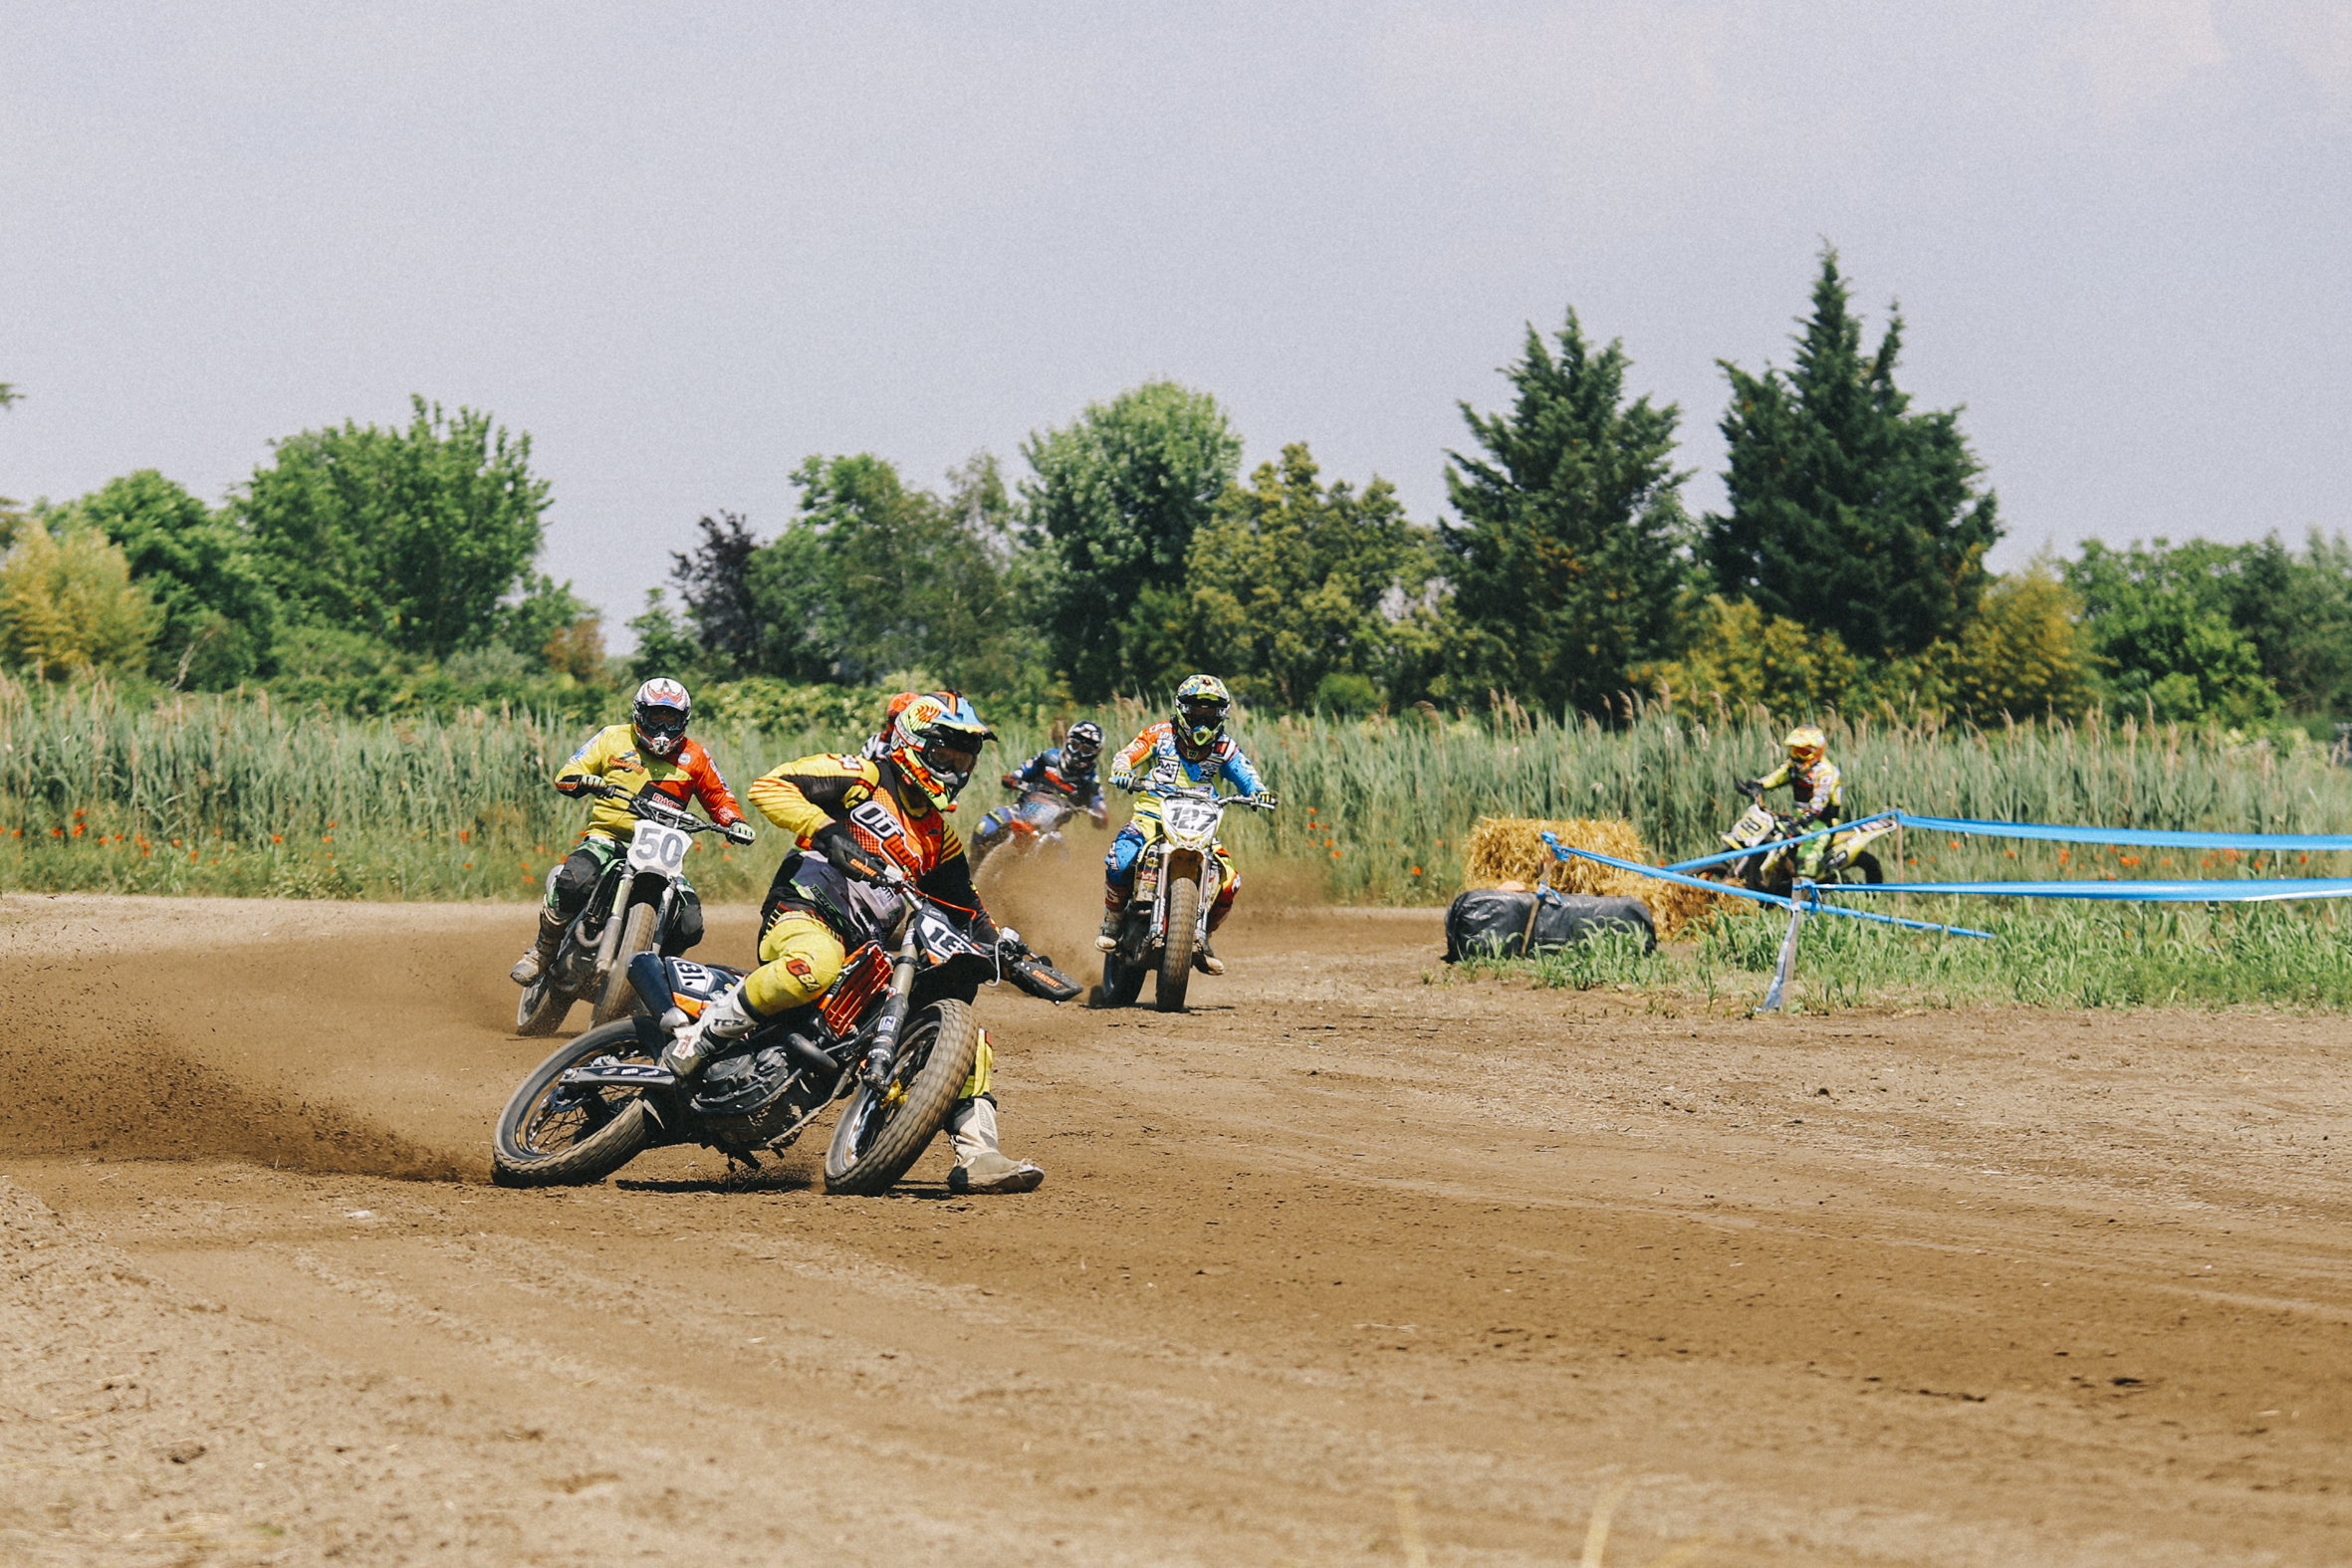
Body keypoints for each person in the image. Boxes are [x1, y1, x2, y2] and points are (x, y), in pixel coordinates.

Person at [663, 692, 1046, 1196]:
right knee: (814, 965)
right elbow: (769, 786)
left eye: (965, 756)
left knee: (965, 1038)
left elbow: (967, 911)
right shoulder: (863, 776)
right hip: (804, 911)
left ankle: (979, 1154)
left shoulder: (939, 838)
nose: (955, 767)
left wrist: (1011, 954)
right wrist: (825, 831)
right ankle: (702, 1037)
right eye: (946, 752)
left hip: (866, 951)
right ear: (914, 743)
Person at [511, 677, 754, 986]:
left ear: (684, 721)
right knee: (573, 881)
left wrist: (734, 822)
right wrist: (584, 780)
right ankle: (542, 951)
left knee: (690, 923)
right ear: (640, 715)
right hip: (608, 839)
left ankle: (651, 980)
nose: (663, 727)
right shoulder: (612, 738)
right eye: (656, 717)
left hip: (662, 854)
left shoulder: (696, 757)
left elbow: (720, 797)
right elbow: (569, 772)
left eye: (671, 719)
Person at [1098, 675, 1273, 976]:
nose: (1203, 722)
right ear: (1182, 710)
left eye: (1211, 714)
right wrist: (1123, 770)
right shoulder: (1159, 734)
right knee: (1120, 861)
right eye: (1196, 713)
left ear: (1222, 715)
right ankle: (1112, 923)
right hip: (1151, 817)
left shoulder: (1225, 748)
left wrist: (1257, 791)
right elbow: (1128, 754)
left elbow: (1247, 774)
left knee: (1230, 882)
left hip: (1200, 824)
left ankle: (1201, 938)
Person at [975, 720, 1108, 848]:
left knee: (1062, 858)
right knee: (985, 826)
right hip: (1020, 811)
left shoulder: (1091, 781)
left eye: (1085, 749)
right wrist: (1012, 780)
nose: (1078, 752)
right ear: (1068, 741)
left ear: (1094, 753)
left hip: (1050, 830)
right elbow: (1018, 774)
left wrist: (1099, 816)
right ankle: (971, 865)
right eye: (1075, 745)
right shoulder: (1048, 758)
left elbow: (1100, 807)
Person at [1741, 725, 1844, 880]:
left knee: (1807, 855)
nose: (1798, 756)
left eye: (1804, 752)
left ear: (1817, 751)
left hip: (1821, 822)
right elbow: (1777, 776)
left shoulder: (1826, 772)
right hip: (1798, 816)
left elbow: (1820, 800)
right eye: (1795, 750)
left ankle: (1803, 895)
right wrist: (1758, 785)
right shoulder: (1794, 766)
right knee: (1770, 835)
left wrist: (1809, 816)